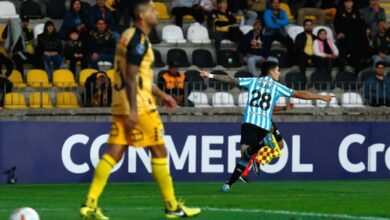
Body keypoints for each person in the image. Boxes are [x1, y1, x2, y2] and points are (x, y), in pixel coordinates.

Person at [80, 1, 201, 219]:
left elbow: (138, 76)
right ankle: (172, 207)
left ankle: (89, 204)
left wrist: (163, 95)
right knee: (159, 151)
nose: (157, 13)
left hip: (120, 102)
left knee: (114, 152)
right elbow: (131, 75)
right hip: (139, 104)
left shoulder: (127, 35)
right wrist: (134, 110)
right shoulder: (139, 40)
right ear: (143, 15)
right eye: (153, 10)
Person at [198, 61, 333, 192]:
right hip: (264, 125)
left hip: (250, 122)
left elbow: (230, 79)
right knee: (250, 154)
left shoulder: (253, 81)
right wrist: (320, 97)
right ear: (271, 72)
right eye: (278, 70)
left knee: (245, 155)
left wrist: (209, 75)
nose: (279, 73)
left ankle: (232, 181)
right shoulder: (277, 87)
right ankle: (230, 183)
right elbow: (299, 94)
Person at [334, 0, 370, 73]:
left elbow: (361, 24)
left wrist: (366, 30)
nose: (348, 4)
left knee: (362, 41)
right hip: (344, 36)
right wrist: (339, 33)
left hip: (355, 36)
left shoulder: (356, 13)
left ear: (353, 3)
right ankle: (351, 63)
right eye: (347, 2)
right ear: (344, 3)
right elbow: (336, 25)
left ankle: (360, 61)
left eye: (350, 2)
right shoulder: (340, 13)